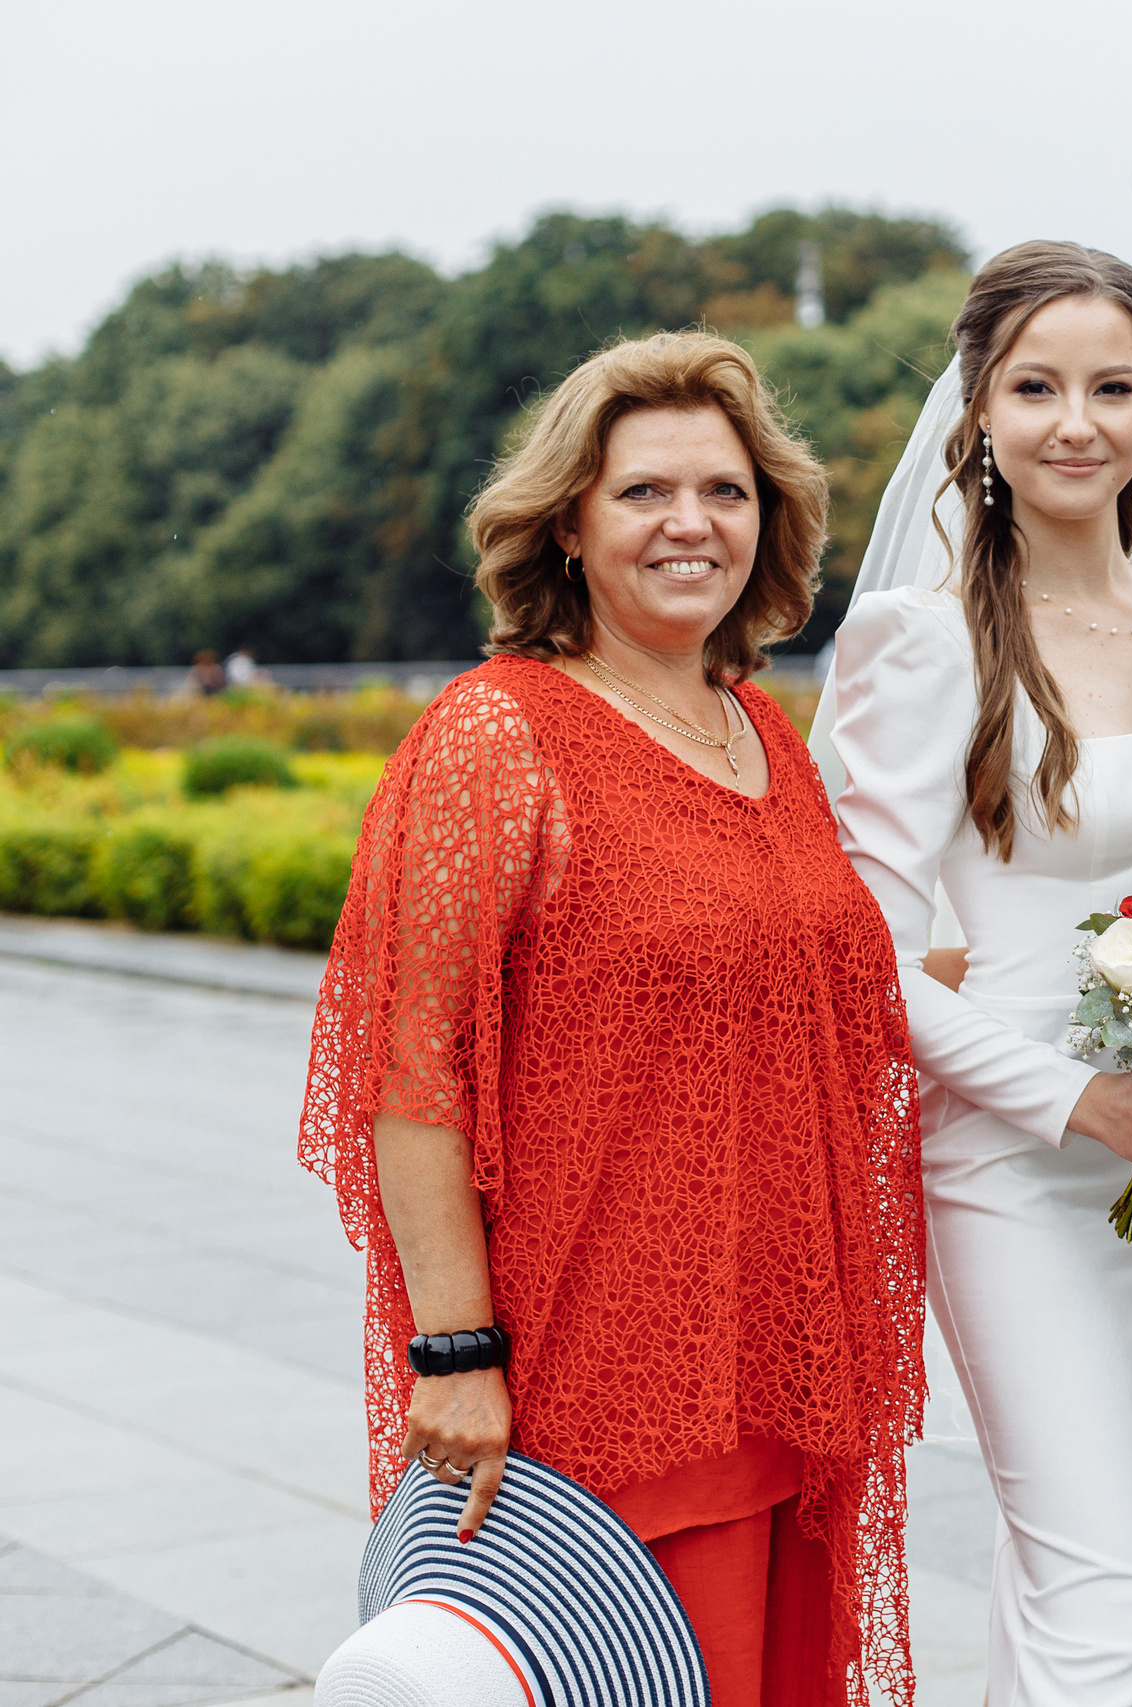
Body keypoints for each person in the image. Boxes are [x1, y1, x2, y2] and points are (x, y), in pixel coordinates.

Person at [298, 330, 926, 1707]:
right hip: (599, 1379)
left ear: (769, 521)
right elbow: (412, 1078)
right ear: (569, 524)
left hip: (777, 1365)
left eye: (727, 491)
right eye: (645, 492)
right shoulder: (497, 734)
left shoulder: (765, 734)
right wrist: (454, 1355)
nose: (690, 523)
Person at [823, 242, 1132, 1707]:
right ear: (981, 417)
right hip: (1014, 1162)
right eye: (1038, 387)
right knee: (1111, 1591)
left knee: (1097, 1574)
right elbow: (859, 961)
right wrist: (1078, 1102)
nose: (1080, 422)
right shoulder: (926, 642)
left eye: (1113, 387)